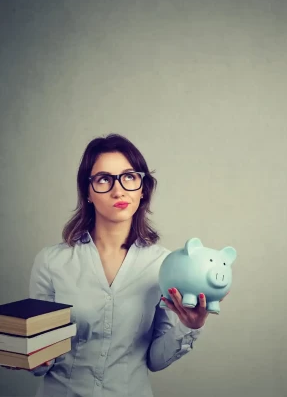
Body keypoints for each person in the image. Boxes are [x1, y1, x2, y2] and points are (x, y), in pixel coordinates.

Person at [3, 133, 228, 397]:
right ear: (87, 192)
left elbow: (155, 360)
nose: (118, 190)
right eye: (104, 179)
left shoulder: (164, 265)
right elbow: (43, 359)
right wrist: (27, 352)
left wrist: (190, 327)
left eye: (129, 177)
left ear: (143, 188)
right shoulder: (51, 262)